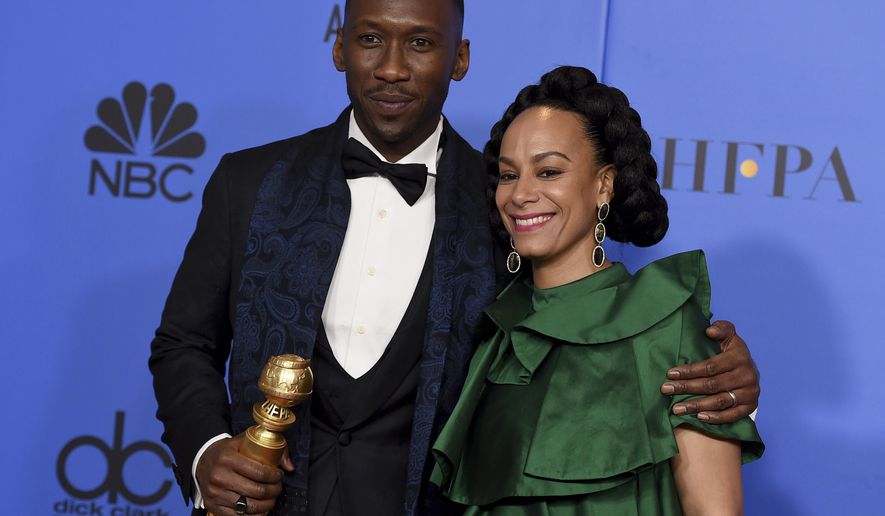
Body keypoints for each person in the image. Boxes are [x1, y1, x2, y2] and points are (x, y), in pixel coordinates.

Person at [149, 2, 762, 515]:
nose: (391, 68)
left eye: (419, 42)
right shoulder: (250, 182)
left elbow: (579, 339)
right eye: (369, 39)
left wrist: (728, 389)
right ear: (339, 48)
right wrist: (206, 454)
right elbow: (183, 343)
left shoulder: (503, 207)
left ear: (459, 58)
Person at [430, 66, 764, 515]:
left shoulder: (668, 325)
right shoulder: (498, 333)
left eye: (548, 172)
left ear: (603, 184)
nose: (520, 195)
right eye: (509, 176)